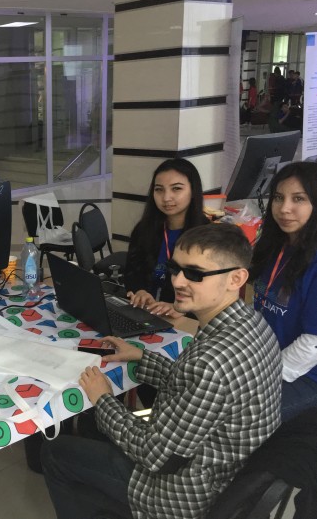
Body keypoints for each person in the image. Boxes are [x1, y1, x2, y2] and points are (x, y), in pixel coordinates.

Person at [41, 223, 282, 519]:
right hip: (221, 467)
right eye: (175, 269)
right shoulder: (250, 323)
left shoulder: (211, 362)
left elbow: (155, 456)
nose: (178, 281)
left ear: (236, 278)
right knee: (97, 430)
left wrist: (102, 399)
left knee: (54, 452)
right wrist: (142, 358)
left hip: (180, 494)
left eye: (195, 274)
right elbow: (194, 388)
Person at [251, 162, 317, 422]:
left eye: (298, 199)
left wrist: (259, 378)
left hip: (304, 374)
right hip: (265, 360)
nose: (284, 208)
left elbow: (312, 344)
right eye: (278, 197)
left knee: (240, 416)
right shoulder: (274, 246)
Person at [125, 158, 208, 318]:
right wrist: (140, 291)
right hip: (147, 312)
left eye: (176, 189)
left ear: (193, 191)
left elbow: (211, 290)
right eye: (159, 190)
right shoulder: (144, 229)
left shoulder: (206, 236)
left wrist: (182, 308)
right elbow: (132, 270)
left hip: (186, 319)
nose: (166, 197)